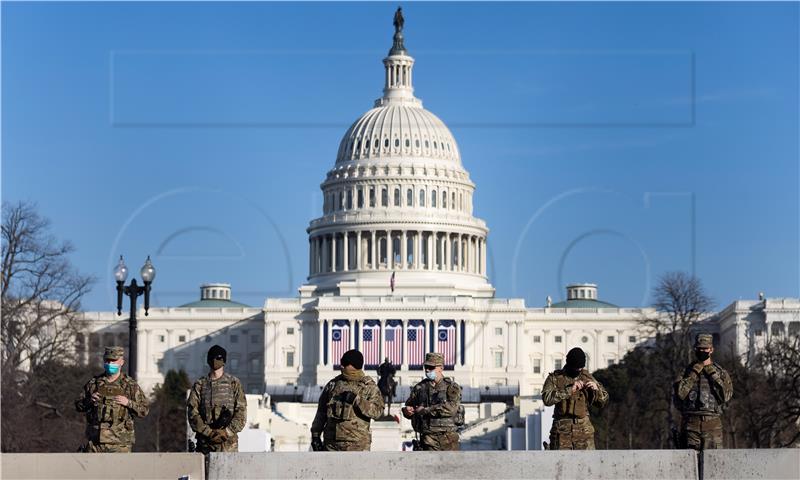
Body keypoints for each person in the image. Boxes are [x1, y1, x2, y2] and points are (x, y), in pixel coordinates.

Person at [75, 346, 149, 452]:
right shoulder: (93, 383)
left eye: (113, 361)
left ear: (121, 362)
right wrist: (89, 400)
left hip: (120, 444)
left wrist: (128, 403)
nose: (110, 364)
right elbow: (78, 405)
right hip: (96, 443)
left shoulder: (130, 386)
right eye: (107, 361)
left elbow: (144, 410)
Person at [310, 349, 384, 451]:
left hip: (357, 446)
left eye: (345, 364)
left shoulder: (369, 387)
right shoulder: (333, 385)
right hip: (331, 445)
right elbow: (321, 413)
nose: (341, 366)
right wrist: (315, 436)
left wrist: (357, 400)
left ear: (354, 365)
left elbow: (377, 412)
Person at [674, 333, 733, 450]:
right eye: (699, 348)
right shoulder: (686, 372)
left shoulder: (720, 373)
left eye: (705, 348)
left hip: (713, 425)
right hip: (691, 426)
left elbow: (726, 396)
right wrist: (693, 373)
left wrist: (713, 374)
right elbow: (679, 395)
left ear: (711, 350)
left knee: (714, 463)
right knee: (690, 463)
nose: (702, 351)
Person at [542, 347, 608, 450]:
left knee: (587, 464)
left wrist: (597, 390)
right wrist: (569, 390)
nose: (579, 370)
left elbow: (602, 402)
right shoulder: (554, 378)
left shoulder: (587, 377)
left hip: (584, 431)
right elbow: (547, 399)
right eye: (576, 368)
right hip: (562, 431)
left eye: (580, 368)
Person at [187, 345, 247, 454]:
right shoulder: (200, 385)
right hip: (205, 444)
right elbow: (192, 413)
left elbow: (241, 413)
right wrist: (208, 432)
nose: (215, 361)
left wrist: (226, 432)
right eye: (213, 358)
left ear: (223, 360)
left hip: (228, 445)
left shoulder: (233, 383)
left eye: (218, 358)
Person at [402, 352, 463, 451]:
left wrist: (426, 410)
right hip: (427, 438)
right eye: (426, 367)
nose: (427, 370)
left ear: (441, 368)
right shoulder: (419, 387)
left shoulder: (451, 387)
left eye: (431, 367)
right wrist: (407, 411)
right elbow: (410, 406)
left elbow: (451, 409)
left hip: (448, 439)